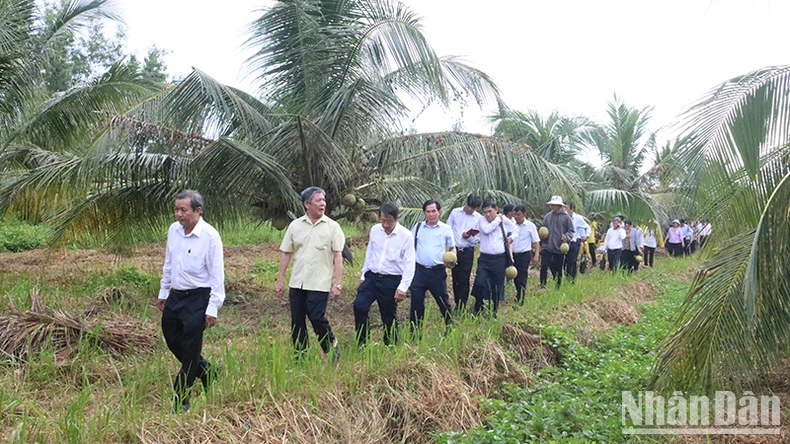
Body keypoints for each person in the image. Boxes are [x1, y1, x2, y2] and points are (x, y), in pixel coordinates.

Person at [157, 190, 225, 413]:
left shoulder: (210, 236)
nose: (178, 214)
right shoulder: (173, 231)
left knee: (191, 348)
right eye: (176, 209)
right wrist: (163, 291)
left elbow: (217, 275)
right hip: (176, 296)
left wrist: (213, 307)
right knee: (172, 337)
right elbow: (169, 262)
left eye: (183, 210)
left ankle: (181, 397)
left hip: (198, 298)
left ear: (198, 211)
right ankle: (206, 371)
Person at [276, 187, 345, 362]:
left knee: (316, 318)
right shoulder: (295, 225)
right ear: (307, 204)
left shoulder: (333, 227)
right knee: (297, 322)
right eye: (318, 200)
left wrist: (337, 283)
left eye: (324, 200)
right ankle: (300, 355)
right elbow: (286, 253)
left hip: (319, 282)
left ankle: (332, 350)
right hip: (297, 282)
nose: (322, 203)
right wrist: (280, 279)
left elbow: (338, 256)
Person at [355, 203, 415, 346]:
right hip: (372, 277)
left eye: (389, 221)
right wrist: (364, 275)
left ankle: (391, 344)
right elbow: (370, 252)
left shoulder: (406, 236)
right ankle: (362, 342)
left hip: (391, 280)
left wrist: (403, 287)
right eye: (382, 220)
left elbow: (410, 263)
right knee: (359, 306)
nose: (385, 224)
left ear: (397, 219)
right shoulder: (375, 230)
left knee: (388, 315)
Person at [409, 200, 455, 337]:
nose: (431, 214)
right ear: (424, 213)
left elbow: (452, 247)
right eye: (428, 212)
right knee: (416, 302)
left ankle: (450, 326)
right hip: (419, 271)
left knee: (442, 300)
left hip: (437, 271)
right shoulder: (418, 227)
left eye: (433, 211)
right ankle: (415, 332)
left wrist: (452, 258)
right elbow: (409, 245)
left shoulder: (445, 229)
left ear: (438, 212)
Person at [471, 200, 516, 316]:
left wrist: (511, 238)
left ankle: (494, 310)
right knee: (480, 283)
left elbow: (516, 230)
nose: (487, 214)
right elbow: (486, 230)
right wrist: (498, 220)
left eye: (490, 211)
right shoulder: (482, 221)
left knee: (497, 286)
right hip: (485, 259)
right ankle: (478, 307)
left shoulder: (504, 221)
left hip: (499, 259)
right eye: (485, 212)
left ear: (496, 210)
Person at [446, 194, 482, 312]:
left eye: (473, 208)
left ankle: (462, 305)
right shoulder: (455, 213)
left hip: (467, 251)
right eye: (469, 206)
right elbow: (448, 229)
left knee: (464, 278)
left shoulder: (478, 218)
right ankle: (457, 303)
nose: (470, 209)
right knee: (455, 277)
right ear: (465, 202)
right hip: (454, 251)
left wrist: (469, 238)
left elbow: (478, 238)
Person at [540, 196, 574, 289]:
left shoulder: (566, 217)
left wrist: (566, 237)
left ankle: (557, 286)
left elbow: (571, 231)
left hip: (559, 247)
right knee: (544, 265)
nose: (552, 206)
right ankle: (542, 286)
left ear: (559, 206)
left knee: (558, 268)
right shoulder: (548, 216)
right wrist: (543, 237)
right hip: (547, 246)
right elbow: (544, 228)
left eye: (554, 205)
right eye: (552, 204)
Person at [511, 205, 540, 303]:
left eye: (518, 214)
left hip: (524, 254)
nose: (516, 216)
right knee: (514, 276)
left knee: (522, 275)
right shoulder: (511, 224)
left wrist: (536, 255)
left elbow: (536, 242)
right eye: (514, 214)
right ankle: (519, 292)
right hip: (513, 254)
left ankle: (521, 297)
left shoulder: (530, 226)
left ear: (524, 214)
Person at [565, 202, 590, 283]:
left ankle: (572, 280)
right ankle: (568, 278)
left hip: (574, 242)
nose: (565, 209)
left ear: (572, 209)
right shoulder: (563, 217)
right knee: (566, 262)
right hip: (565, 242)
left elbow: (587, 227)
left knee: (572, 261)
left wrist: (587, 236)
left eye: (567, 208)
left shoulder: (578, 218)